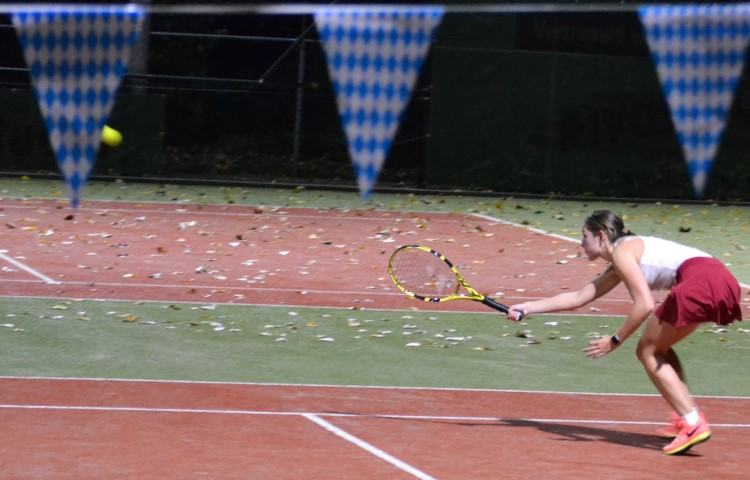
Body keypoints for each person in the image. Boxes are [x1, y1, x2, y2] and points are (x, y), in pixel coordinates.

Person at [507, 209, 743, 455]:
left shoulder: (622, 253)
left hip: (702, 281)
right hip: (720, 279)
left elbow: (645, 305)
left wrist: (615, 339)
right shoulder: (623, 256)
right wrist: (527, 307)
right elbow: (580, 297)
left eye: (584, 236)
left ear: (600, 236)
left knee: (647, 351)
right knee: (659, 348)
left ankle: (692, 421)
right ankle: (686, 415)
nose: (581, 243)